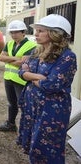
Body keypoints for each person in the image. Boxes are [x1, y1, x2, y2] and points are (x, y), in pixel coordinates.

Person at [17, 14, 77, 163]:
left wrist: (30, 76)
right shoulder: (36, 52)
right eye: (36, 30)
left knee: (47, 149)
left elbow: (51, 84)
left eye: (41, 31)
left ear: (55, 33)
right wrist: (38, 77)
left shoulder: (67, 57)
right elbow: (21, 72)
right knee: (33, 145)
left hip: (51, 110)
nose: (36, 34)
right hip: (33, 106)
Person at [0, 20, 36, 132]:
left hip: (21, 80)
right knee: (11, 103)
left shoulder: (31, 45)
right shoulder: (9, 44)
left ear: (23, 32)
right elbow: (1, 58)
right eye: (11, 33)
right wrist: (16, 58)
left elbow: (24, 63)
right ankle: (11, 124)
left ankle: (26, 129)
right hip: (8, 78)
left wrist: (9, 59)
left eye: (16, 32)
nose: (13, 35)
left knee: (23, 105)